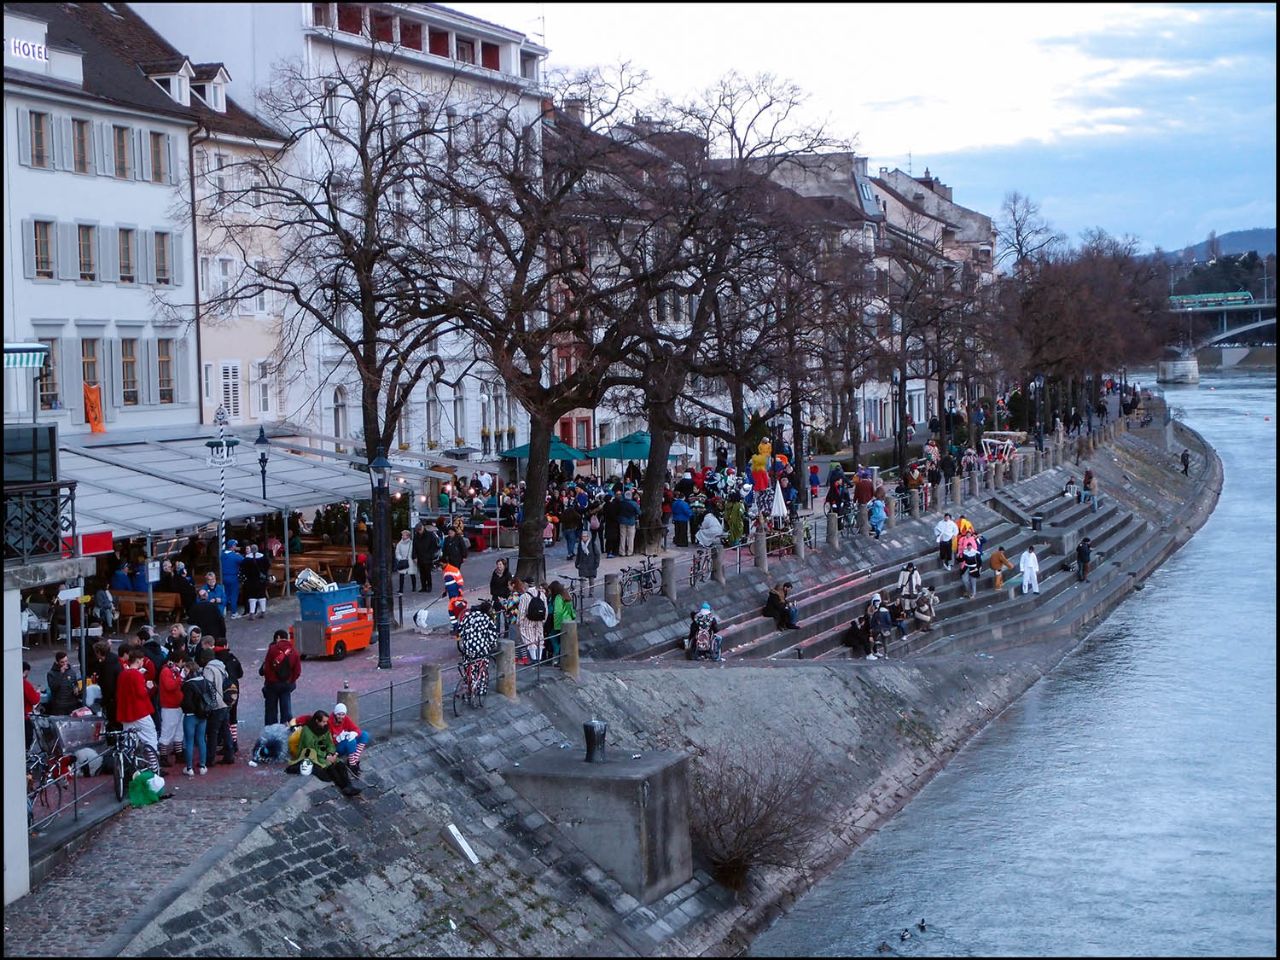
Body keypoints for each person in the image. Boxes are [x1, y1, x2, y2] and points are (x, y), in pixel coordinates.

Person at [287, 711, 362, 797]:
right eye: (324, 721)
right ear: (317, 721)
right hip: (311, 754)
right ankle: (343, 787)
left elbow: (329, 742)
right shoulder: (307, 731)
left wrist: (331, 753)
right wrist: (327, 756)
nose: (326, 723)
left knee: (340, 764)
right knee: (330, 767)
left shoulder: (325, 728)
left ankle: (349, 785)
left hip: (325, 752)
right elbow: (311, 747)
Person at [117, 648, 159, 773]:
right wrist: (149, 687)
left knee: (128, 742)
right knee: (150, 738)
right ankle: (154, 769)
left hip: (126, 712)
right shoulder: (137, 675)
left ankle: (128, 771)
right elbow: (141, 694)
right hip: (139, 711)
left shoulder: (123, 674)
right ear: (139, 660)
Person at [197, 647, 233, 766]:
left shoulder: (208, 669)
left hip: (216, 704)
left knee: (212, 733)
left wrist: (208, 704)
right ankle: (229, 755)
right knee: (225, 729)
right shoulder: (221, 666)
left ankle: (210, 759)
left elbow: (207, 687)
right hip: (225, 703)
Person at [261, 628, 301, 727]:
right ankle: (285, 727)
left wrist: (270, 679)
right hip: (287, 684)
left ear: (278, 637)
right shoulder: (294, 651)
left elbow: (267, 667)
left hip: (272, 684)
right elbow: (297, 671)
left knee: (271, 709)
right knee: (286, 707)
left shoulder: (272, 649)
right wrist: (291, 681)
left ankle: (271, 730)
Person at [156, 653, 186, 768]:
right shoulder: (166, 671)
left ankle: (179, 753)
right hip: (169, 707)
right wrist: (180, 678)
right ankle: (163, 756)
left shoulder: (173, 671)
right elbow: (169, 686)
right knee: (167, 731)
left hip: (177, 705)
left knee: (179, 731)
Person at [328, 702, 371, 773]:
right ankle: (352, 764)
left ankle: (354, 759)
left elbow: (356, 729)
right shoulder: (329, 722)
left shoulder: (345, 719)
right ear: (335, 714)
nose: (341, 717)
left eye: (343, 714)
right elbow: (328, 741)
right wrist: (338, 738)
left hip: (345, 742)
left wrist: (354, 733)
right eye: (339, 714)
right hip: (337, 747)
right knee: (352, 741)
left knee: (364, 735)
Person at [513, 578, 544, 665]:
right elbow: (545, 608)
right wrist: (543, 620)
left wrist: (519, 623)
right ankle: (540, 658)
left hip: (528, 621)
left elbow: (522, 611)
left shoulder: (524, 596)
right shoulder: (541, 594)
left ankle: (534, 659)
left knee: (529, 639)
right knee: (539, 638)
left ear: (526, 584)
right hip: (539, 620)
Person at [191, 571, 227, 638]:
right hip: (207, 613)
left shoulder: (220, 588)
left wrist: (220, 600)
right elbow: (198, 601)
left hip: (219, 611)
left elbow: (225, 600)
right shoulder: (203, 589)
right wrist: (208, 602)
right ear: (207, 581)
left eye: (213, 579)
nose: (211, 581)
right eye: (209, 580)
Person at [548, 581, 576, 661]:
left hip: (560, 622)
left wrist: (556, 625)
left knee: (553, 639)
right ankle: (563, 658)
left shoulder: (558, 597)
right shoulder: (567, 596)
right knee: (563, 641)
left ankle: (557, 658)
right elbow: (571, 609)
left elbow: (558, 611)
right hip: (568, 621)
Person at [45, 650, 80, 715]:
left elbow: (75, 683)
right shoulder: (51, 674)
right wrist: (61, 674)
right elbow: (53, 687)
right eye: (62, 662)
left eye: (66, 661)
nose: (65, 664)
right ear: (57, 662)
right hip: (59, 706)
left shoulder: (71, 671)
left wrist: (76, 688)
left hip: (72, 704)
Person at [242, 543, 270, 619]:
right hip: (261, 580)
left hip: (251, 580)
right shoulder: (263, 557)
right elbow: (267, 566)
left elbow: (243, 570)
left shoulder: (247, 559)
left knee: (252, 596)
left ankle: (252, 613)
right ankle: (263, 611)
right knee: (262, 595)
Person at [221, 540, 245, 619]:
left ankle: (221, 611)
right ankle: (234, 613)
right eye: (235, 545)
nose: (236, 546)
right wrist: (239, 555)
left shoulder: (223, 554)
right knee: (234, 595)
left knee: (226, 595)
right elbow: (244, 561)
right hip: (233, 576)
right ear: (232, 546)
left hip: (224, 577)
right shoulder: (235, 556)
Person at [573, 530, 601, 596]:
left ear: (588, 537)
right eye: (583, 536)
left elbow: (597, 554)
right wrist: (576, 563)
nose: (584, 538)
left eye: (585, 536)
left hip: (591, 564)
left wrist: (596, 563)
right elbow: (578, 554)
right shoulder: (580, 544)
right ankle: (582, 593)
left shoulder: (592, 544)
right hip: (583, 564)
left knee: (591, 580)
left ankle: (591, 592)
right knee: (582, 579)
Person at [489, 558, 514, 630]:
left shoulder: (508, 574)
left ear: (504, 565)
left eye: (500, 564)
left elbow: (509, 586)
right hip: (496, 598)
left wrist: (504, 597)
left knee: (506, 616)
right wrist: (495, 595)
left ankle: (506, 632)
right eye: (497, 564)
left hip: (505, 598)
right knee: (496, 617)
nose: (498, 566)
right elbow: (492, 585)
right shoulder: (495, 573)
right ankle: (497, 632)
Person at [413, 521, 438, 592]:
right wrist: (414, 556)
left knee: (427, 573)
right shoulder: (416, 536)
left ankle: (429, 586)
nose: (419, 532)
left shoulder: (430, 535)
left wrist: (430, 555)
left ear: (423, 528)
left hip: (427, 557)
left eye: (420, 530)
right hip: (420, 557)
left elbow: (434, 546)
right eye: (418, 530)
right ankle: (423, 587)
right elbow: (414, 546)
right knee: (422, 573)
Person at [618, 491, 641, 557]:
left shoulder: (621, 503)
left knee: (622, 537)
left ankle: (622, 552)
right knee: (631, 537)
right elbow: (639, 512)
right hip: (631, 521)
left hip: (622, 521)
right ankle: (630, 552)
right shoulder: (634, 503)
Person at [394, 529, 417, 594]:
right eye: (402, 535)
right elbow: (397, 552)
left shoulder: (412, 543)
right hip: (402, 561)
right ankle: (401, 589)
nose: (402, 536)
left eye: (403, 535)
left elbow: (414, 552)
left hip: (410, 561)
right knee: (401, 575)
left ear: (407, 536)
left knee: (412, 574)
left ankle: (414, 587)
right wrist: (400, 558)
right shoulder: (399, 543)